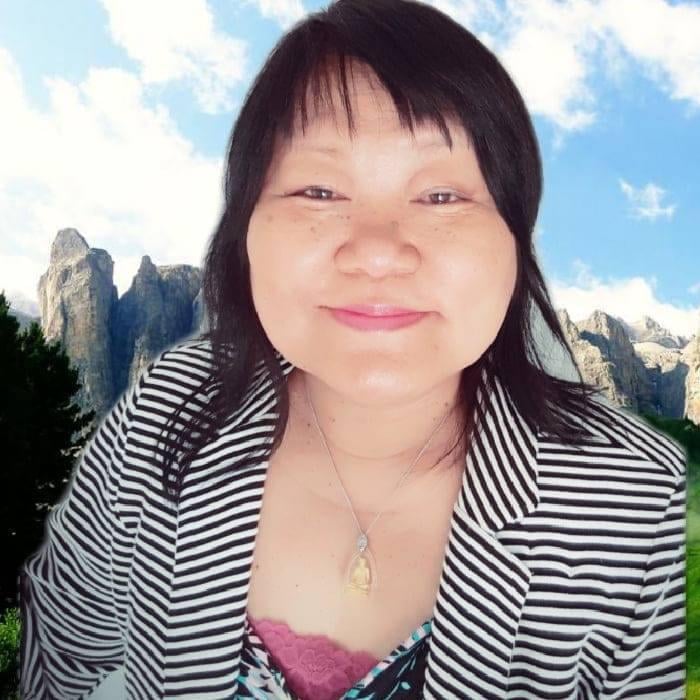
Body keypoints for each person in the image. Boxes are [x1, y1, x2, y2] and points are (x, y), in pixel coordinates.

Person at [19, 0, 687, 698]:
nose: (377, 251)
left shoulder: (637, 503)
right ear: (245, 232)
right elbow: (63, 656)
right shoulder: (163, 412)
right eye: (319, 190)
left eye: (440, 195)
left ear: (516, 242)